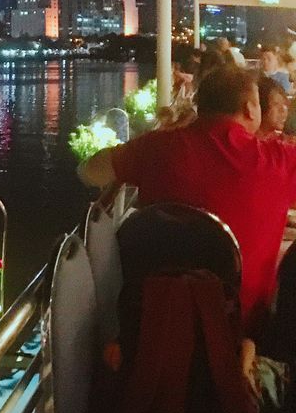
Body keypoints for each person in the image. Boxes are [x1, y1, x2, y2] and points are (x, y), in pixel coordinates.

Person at [80, 66, 296, 338]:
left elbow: (88, 172)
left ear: (201, 106)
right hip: (242, 330)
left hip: (157, 326)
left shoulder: (156, 147)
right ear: (250, 109)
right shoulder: (279, 161)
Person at [258, 74, 291, 139]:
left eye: (285, 104)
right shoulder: (249, 141)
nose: (283, 109)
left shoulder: (283, 140)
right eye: (276, 104)